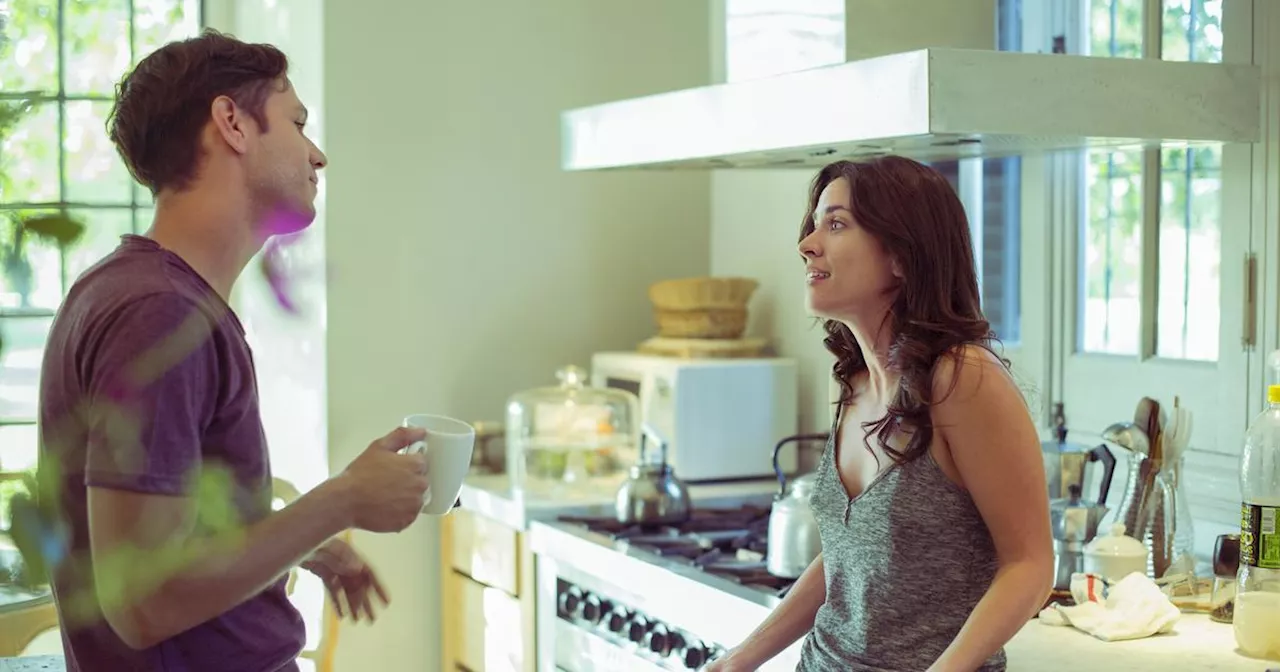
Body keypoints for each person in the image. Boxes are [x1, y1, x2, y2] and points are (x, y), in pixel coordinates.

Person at [36, 30, 431, 671]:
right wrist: (341, 500)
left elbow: (159, 520)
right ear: (232, 124)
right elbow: (143, 601)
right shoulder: (160, 315)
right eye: (297, 123)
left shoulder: (138, 291)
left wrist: (301, 540)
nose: (318, 153)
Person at [708, 157, 1053, 672]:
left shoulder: (962, 377)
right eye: (815, 223)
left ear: (902, 256)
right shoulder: (857, 382)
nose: (807, 244)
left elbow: (1030, 566)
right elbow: (848, 561)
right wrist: (739, 660)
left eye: (837, 223)